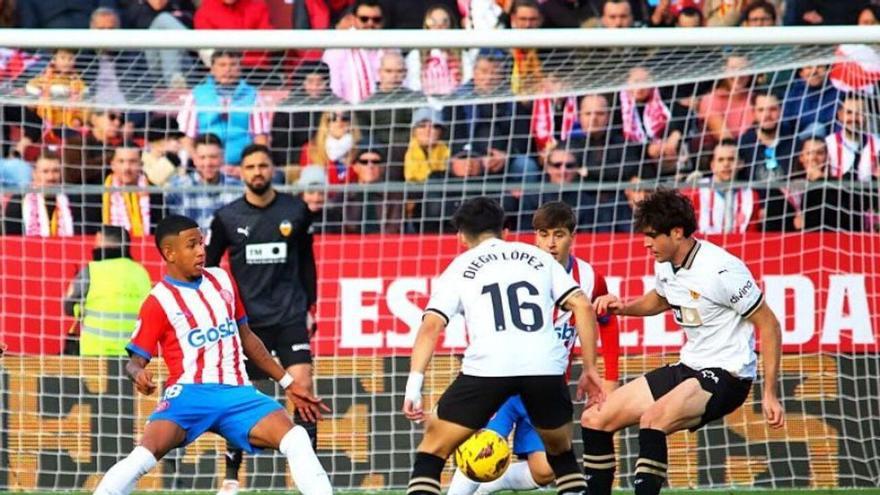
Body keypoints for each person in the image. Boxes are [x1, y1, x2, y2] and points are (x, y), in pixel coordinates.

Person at [92, 214, 332, 495]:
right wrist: (138, 374)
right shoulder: (158, 300)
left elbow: (248, 338)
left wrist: (289, 383)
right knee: (143, 457)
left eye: (202, 243)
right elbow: (134, 362)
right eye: (191, 245)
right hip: (188, 395)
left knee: (296, 437)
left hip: (236, 394)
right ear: (169, 253)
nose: (201, 250)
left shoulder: (221, 279)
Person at [580, 189, 785, 495]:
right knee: (594, 419)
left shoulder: (722, 270)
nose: (646, 243)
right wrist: (624, 307)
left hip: (727, 375)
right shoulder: (665, 263)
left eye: (651, 235)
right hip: (690, 366)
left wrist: (770, 393)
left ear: (677, 233)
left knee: (653, 420)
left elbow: (769, 326)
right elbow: (661, 299)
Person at [402, 196, 605, 495]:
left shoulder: (460, 267)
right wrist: (590, 369)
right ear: (505, 231)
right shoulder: (538, 258)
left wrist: (413, 385)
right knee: (562, 458)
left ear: (461, 236)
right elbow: (583, 307)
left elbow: (431, 327)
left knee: (431, 451)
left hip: (488, 368)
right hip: (545, 367)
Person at [206, 145, 320, 495]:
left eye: (263, 165)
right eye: (251, 166)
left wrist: (311, 306)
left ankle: (309, 478)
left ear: (273, 169)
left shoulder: (295, 210)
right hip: (246, 323)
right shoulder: (226, 217)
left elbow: (306, 262)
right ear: (241, 172)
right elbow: (210, 266)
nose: (257, 171)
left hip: (289, 316)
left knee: (302, 388)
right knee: (240, 396)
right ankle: (230, 476)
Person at [62, 226, 151, 356]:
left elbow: (68, 307)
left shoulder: (90, 271)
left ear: (101, 244)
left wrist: (80, 309)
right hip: (135, 354)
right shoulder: (141, 273)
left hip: (95, 353)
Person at [166, 133, 242, 232]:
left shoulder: (238, 189)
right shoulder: (177, 188)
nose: (208, 163)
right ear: (194, 159)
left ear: (222, 158)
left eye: (213, 157)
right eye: (202, 157)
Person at [1, 152, 80, 236]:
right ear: (34, 174)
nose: (51, 177)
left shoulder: (72, 201)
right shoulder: (19, 201)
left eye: (56, 171)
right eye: (45, 172)